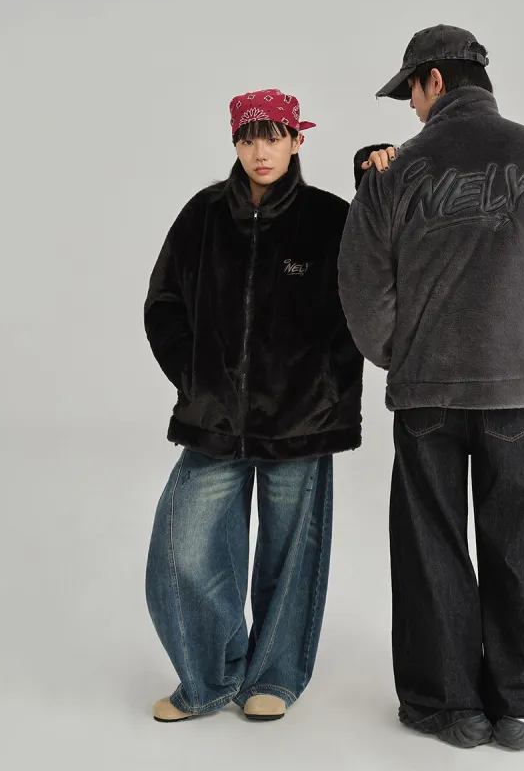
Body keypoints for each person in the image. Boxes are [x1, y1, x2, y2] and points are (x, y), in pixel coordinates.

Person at [340, 25, 524, 751]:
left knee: (431, 541)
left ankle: (448, 707)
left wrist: (401, 354)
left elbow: (362, 285)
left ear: (433, 79)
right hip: (514, 389)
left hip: (424, 390)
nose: (411, 108)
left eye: (410, 92)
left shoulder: (393, 174)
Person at [143, 89, 366, 724]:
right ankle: (210, 677)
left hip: (302, 421)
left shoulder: (330, 218)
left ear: (297, 140)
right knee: (184, 551)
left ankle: (274, 676)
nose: (260, 151)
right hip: (214, 420)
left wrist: (326, 390)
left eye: (273, 136)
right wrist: (195, 379)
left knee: (290, 558)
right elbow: (163, 304)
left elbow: (361, 310)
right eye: (248, 138)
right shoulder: (204, 214)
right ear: (235, 143)